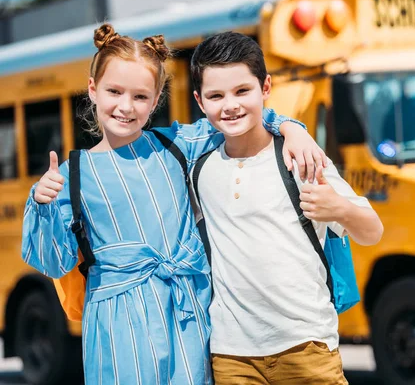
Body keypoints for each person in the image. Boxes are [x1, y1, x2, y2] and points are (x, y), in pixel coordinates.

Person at [21, 24, 324, 384]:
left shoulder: (176, 144)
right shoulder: (70, 176)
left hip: (186, 311)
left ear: (156, 98)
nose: (125, 106)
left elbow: (237, 119)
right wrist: (42, 204)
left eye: (140, 96)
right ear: (92, 90)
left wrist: (293, 128)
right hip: (117, 321)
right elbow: (54, 261)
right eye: (114, 92)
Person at [190, 31, 384, 384]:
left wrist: (338, 208)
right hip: (231, 354)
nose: (230, 105)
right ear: (200, 102)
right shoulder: (199, 172)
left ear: (265, 88)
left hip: (306, 346)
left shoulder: (301, 158)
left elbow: (373, 231)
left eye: (242, 91)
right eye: (215, 96)